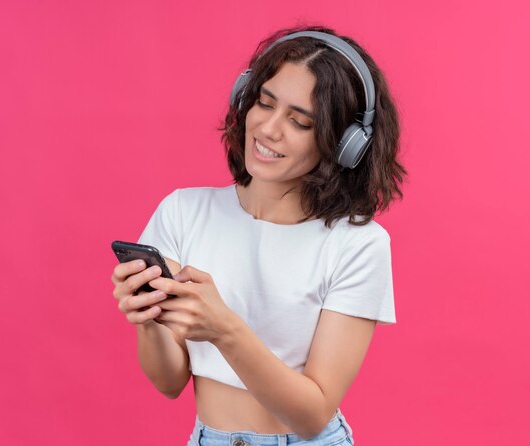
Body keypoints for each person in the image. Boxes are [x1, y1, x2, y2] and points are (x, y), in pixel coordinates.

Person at [110, 25, 406, 446]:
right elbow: (169, 381)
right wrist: (147, 320)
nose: (268, 129)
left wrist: (224, 329)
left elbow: (311, 415)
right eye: (264, 104)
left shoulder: (359, 245)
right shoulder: (183, 212)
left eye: (300, 122)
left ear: (343, 145)